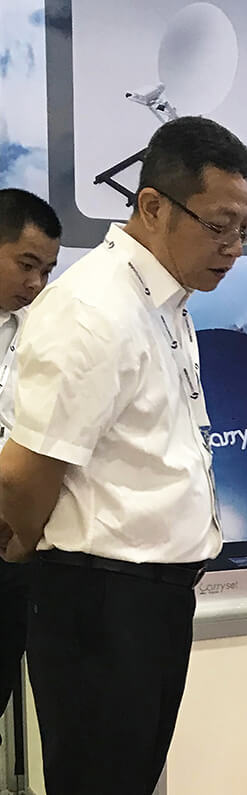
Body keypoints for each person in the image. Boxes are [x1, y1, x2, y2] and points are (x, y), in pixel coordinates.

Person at [0, 116, 247, 794]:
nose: (234, 248)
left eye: (245, 229)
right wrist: (41, 558)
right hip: (99, 603)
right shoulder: (93, 307)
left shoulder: (164, 300)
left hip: (147, 604)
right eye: (219, 226)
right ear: (152, 206)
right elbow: (23, 478)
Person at [0, 188, 61, 728]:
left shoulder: (48, 331)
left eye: (46, 270)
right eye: (26, 265)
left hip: (14, 544)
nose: (36, 283)